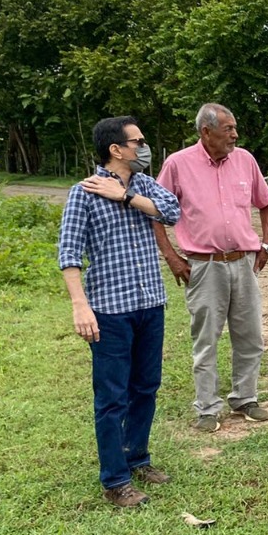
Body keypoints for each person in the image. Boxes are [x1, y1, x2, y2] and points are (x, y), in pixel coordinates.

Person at [58, 116, 181, 507]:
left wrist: (125, 196)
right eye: (138, 141)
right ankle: (115, 480)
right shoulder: (84, 193)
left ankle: (137, 457)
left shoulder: (144, 185)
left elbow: (172, 212)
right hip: (110, 310)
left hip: (149, 303)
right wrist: (80, 305)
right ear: (116, 149)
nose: (143, 147)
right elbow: (68, 253)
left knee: (146, 386)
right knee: (112, 397)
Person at [153, 104, 268, 433]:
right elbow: (154, 213)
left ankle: (245, 397)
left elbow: (266, 201)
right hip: (204, 266)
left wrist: (266, 243)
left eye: (235, 128)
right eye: (228, 129)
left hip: (243, 262)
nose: (234, 135)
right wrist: (172, 257)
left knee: (250, 335)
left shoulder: (245, 159)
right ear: (206, 132)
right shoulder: (178, 164)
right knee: (206, 338)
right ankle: (207, 406)